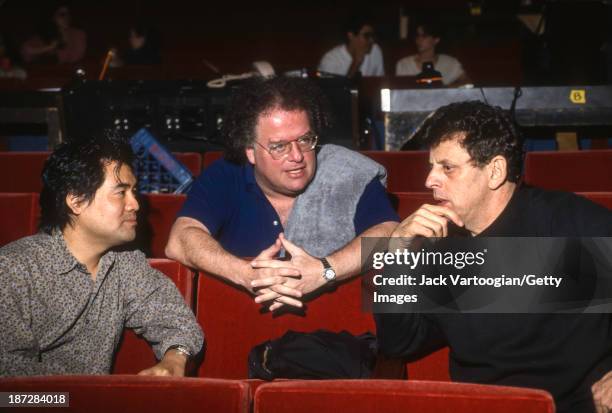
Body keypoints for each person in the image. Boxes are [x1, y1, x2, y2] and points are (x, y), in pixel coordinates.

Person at [375, 101, 612, 413]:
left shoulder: (571, 223)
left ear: (495, 171)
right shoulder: (438, 244)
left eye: (447, 168)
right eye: (432, 167)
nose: (429, 181)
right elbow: (400, 343)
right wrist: (395, 256)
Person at [165, 76, 398, 310]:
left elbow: (390, 233)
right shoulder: (225, 175)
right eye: (279, 146)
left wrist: (326, 270)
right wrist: (246, 274)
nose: (297, 156)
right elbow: (180, 240)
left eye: (305, 140)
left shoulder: (350, 172)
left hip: (343, 333)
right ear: (251, 152)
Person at [0, 137, 203, 377]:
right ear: (75, 201)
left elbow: (177, 321)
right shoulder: (13, 270)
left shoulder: (125, 264)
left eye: (134, 191)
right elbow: (10, 379)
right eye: (120, 193)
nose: (135, 204)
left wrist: (174, 358)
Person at [395, 20, 469, 86]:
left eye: (424, 36)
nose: (419, 40)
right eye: (417, 36)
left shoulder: (450, 62)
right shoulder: (404, 64)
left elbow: (467, 82)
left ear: (436, 40)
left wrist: (447, 89)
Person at [318, 15, 384, 78]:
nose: (371, 40)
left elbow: (379, 82)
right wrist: (355, 64)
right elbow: (337, 89)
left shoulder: (375, 51)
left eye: (372, 35)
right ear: (351, 36)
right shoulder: (330, 60)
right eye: (367, 36)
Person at [21, 1, 87, 64]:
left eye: (68, 14)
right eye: (62, 15)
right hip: (48, 73)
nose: (67, 17)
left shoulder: (78, 34)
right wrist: (48, 48)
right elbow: (26, 51)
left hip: (69, 71)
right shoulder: (43, 34)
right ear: (53, 17)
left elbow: (77, 56)